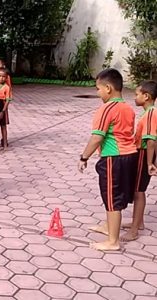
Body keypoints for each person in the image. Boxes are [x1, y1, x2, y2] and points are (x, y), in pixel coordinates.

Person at [78, 68, 138, 251]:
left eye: (98, 89)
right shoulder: (128, 108)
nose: (98, 93)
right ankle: (108, 226)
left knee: (112, 199)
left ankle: (113, 241)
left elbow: (97, 137)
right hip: (129, 155)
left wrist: (84, 156)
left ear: (108, 88)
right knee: (114, 197)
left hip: (114, 159)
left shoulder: (106, 109)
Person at [121, 80, 157, 241]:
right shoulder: (149, 112)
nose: (134, 97)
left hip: (143, 154)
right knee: (138, 189)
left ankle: (135, 229)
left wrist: (150, 163)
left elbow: (150, 141)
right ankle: (139, 222)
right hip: (142, 153)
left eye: (137, 94)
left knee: (138, 191)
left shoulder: (150, 113)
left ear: (146, 96)